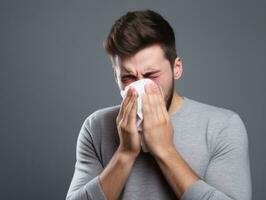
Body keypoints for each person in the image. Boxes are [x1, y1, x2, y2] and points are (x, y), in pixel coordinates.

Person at [66, 9, 252, 200]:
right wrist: (125, 153)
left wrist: (165, 150)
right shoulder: (97, 126)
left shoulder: (222, 126)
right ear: (116, 77)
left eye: (151, 75)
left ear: (176, 68)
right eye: (128, 77)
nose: (140, 87)